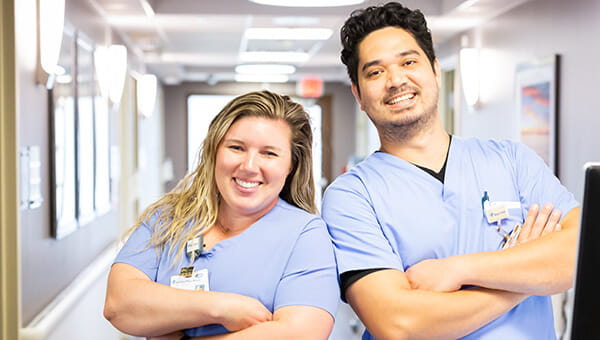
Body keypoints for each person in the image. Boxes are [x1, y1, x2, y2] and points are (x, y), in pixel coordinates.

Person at [321, 2, 580, 339]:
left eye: (409, 62)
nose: (396, 79)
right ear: (358, 93)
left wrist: (457, 270)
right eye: (375, 72)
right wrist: (525, 277)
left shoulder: (513, 160)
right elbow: (400, 324)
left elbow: (580, 254)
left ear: (434, 71)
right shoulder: (351, 197)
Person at [104, 90, 338, 340]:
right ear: (215, 151)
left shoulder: (306, 234)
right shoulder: (167, 219)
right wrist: (222, 308)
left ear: (291, 164)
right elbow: (119, 305)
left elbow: (300, 334)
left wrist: (171, 323)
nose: (249, 166)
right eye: (236, 148)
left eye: (269, 153)